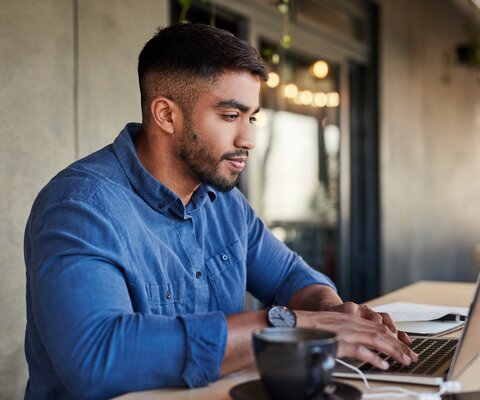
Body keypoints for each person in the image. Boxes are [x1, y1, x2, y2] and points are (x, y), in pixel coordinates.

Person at [24, 22, 417, 399]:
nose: (248, 139)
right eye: (230, 116)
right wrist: (288, 324)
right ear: (166, 114)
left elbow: (291, 276)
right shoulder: (80, 206)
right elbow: (98, 359)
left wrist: (332, 314)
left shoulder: (225, 203)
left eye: (252, 117)